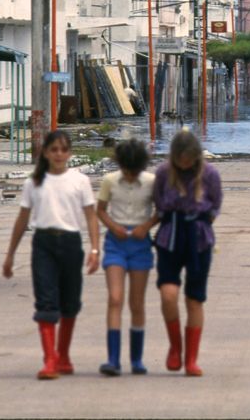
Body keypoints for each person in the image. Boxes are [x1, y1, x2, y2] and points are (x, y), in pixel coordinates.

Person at [3, 130, 100, 380]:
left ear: (69, 153)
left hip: (70, 244)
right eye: (54, 149)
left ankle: (64, 355)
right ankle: (49, 360)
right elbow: (22, 219)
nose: (58, 154)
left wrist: (95, 249)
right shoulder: (34, 182)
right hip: (43, 244)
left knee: (70, 302)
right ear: (45, 152)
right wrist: (10, 255)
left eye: (63, 150)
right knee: (46, 300)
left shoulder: (79, 181)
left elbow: (90, 215)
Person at [152, 129, 223, 377]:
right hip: (169, 235)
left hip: (199, 238)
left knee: (194, 299)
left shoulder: (210, 175)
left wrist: (201, 224)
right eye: (180, 158)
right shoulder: (163, 173)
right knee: (168, 294)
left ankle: (191, 359)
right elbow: (158, 203)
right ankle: (175, 347)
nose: (184, 163)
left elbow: (215, 205)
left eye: (188, 158)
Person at [96, 139, 157, 376]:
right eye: (127, 170)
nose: (130, 176)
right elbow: (100, 209)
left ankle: (137, 359)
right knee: (115, 297)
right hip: (116, 243)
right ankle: (113, 359)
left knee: (137, 303)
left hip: (141, 243)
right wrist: (113, 226)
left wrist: (147, 226)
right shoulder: (110, 181)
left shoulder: (152, 182)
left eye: (135, 171)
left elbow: (161, 211)